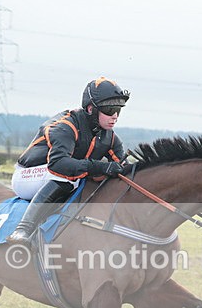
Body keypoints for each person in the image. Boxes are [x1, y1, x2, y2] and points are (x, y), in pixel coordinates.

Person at [8, 77, 132, 244]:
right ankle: (23, 229)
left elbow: (123, 168)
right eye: (110, 110)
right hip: (29, 176)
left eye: (118, 109)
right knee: (67, 178)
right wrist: (100, 167)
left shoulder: (109, 136)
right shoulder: (65, 126)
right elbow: (59, 165)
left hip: (57, 174)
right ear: (90, 109)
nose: (115, 116)